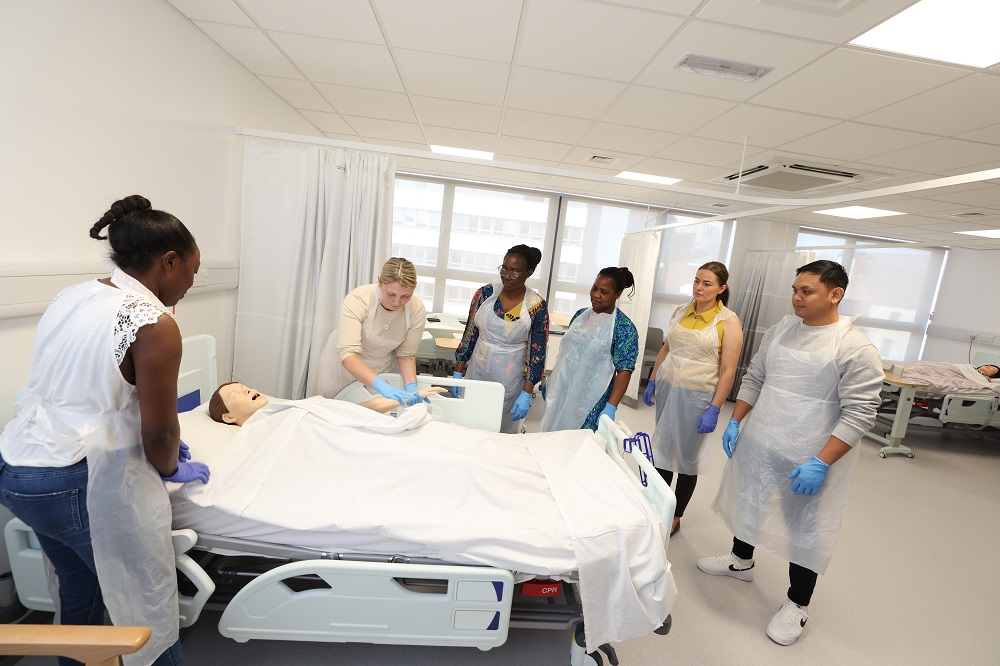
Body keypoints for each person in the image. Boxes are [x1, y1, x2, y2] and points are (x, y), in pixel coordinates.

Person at [0, 195, 210, 666]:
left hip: (19, 465)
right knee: (146, 606)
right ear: (168, 261)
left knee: (81, 595)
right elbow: (159, 434)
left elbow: (87, 385)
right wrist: (171, 466)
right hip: (76, 479)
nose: (191, 284)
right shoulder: (154, 323)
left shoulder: (74, 295)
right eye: (192, 271)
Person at [698, 260, 883, 647]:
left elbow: (861, 413)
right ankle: (740, 560)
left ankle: (798, 604)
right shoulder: (782, 329)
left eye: (807, 291)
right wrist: (736, 419)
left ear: (836, 294)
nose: (796, 297)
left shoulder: (854, 347)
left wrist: (820, 462)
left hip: (810, 453)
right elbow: (755, 377)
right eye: (795, 289)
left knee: (805, 527)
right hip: (762, 437)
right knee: (750, 499)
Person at [643, 262, 743, 536]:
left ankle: (675, 516)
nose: (699, 287)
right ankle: (658, 505)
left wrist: (715, 408)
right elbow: (666, 348)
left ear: (721, 288)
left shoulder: (728, 322)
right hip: (667, 388)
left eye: (707, 283)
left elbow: (728, 370)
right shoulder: (680, 311)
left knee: (686, 458)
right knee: (662, 449)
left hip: (697, 396)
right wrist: (652, 380)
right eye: (697, 281)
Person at [452, 245, 549, 433]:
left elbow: (537, 354)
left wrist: (527, 393)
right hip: (477, 372)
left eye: (514, 272)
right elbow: (470, 334)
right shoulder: (485, 294)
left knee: (500, 431)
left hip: (509, 380)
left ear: (529, 273)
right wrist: (458, 373)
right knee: (469, 425)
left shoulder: (535, 306)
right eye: (504, 269)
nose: (506, 276)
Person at [316, 258, 427, 407]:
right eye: (391, 294)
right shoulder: (358, 299)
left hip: (380, 368)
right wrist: (381, 385)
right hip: (341, 368)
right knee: (332, 412)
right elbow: (349, 355)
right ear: (380, 282)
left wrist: (411, 386)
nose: (396, 302)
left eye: (405, 296)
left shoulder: (416, 309)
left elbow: (406, 355)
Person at [540, 267, 638, 432]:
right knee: (552, 436)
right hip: (563, 390)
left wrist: (611, 407)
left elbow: (624, 371)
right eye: (594, 288)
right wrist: (552, 381)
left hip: (591, 400)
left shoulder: (624, 328)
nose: (596, 295)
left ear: (618, 294)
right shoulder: (580, 316)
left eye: (604, 292)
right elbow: (566, 353)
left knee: (578, 443)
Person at [208, 381, 446, 425]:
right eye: (238, 394)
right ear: (229, 416)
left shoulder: (289, 410)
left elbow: (351, 412)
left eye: (246, 386)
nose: (248, 390)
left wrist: (407, 397)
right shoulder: (259, 434)